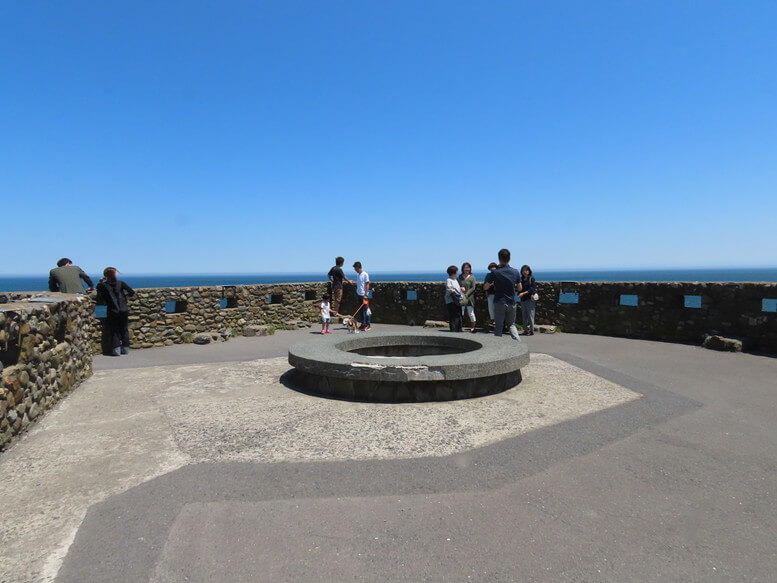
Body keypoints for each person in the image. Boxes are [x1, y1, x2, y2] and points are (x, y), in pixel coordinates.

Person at [95, 267, 135, 356]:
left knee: (115, 330)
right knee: (124, 329)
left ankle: (116, 350)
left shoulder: (103, 285)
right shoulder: (120, 283)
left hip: (113, 310)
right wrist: (124, 298)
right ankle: (125, 349)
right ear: (113, 274)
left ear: (106, 275)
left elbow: (98, 289)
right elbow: (132, 292)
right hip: (124, 309)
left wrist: (101, 281)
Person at [492, 249, 521, 341]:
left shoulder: (495, 272)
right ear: (509, 258)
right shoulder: (515, 272)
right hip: (511, 301)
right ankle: (518, 343)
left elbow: (485, 287)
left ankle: (498, 347)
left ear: (499, 258)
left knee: (499, 326)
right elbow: (520, 288)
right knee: (511, 324)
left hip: (499, 301)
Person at [457, 262, 478, 333]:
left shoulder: (472, 277)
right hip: (461, 298)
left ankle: (473, 327)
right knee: (461, 313)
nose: (466, 269)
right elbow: (457, 286)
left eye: (468, 268)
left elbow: (473, 288)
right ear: (462, 268)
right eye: (465, 268)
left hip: (469, 298)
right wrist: (460, 288)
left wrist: (467, 294)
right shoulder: (459, 277)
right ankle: (459, 326)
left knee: (471, 313)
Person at [517, 264, 537, 335]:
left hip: (529, 299)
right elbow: (519, 289)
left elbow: (532, 289)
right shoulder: (521, 279)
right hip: (523, 300)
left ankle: (532, 330)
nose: (524, 272)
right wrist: (519, 293)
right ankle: (525, 330)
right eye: (523, 270)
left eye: (526, 270)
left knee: (530, 315)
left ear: (529, 271)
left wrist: (523, 293)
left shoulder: (531, 278)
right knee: (524, 315)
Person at [445, 265, 464, 332]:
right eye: (456, 271)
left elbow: (456, 289)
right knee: (453, 316)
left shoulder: (455, 280)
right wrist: (454, 290)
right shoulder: (449, 280)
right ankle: (453, 329)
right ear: (453, 272)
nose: (457, 273)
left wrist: (460, 289)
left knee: (459, 315)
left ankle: (459, 328)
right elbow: (449, 289)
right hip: (451, 301)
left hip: (456, 300)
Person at [353, 261, 371, 331]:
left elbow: (367, 284)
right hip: (359, 294)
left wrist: (365, 294)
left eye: (356, 269)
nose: (355, 270)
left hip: (364, 295)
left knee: (366, 310)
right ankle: (363, 324)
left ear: (359, 267)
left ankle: (368, 324)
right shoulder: (358, 275)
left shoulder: (365, 274)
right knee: (361, 311)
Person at [482, 262, 498, 328]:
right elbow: (485, 284)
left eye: (494, 266)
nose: (493, 268)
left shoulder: (498, 274)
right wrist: (486, 292)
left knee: (497, 309)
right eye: (491, 267)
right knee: (491, 308)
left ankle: (497, 323)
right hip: (490, 293)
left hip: (498, 294)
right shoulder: (488, 275)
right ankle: (493, 321)